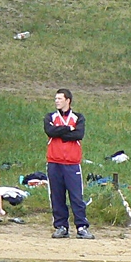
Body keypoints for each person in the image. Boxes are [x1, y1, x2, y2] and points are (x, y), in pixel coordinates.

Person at [45, 89, 93, 239]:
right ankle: (61, 226)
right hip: (54, 162)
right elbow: (50, 131)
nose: (56, 101)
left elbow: (79, 134)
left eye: (59, 98)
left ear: (68, 100)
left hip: (72, 164)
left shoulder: (78, 117)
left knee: (76, 196)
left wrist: (62, 133)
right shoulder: (50, 116)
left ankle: (81, 226)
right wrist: (67, 130)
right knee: (57, 196)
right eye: (55, 98)